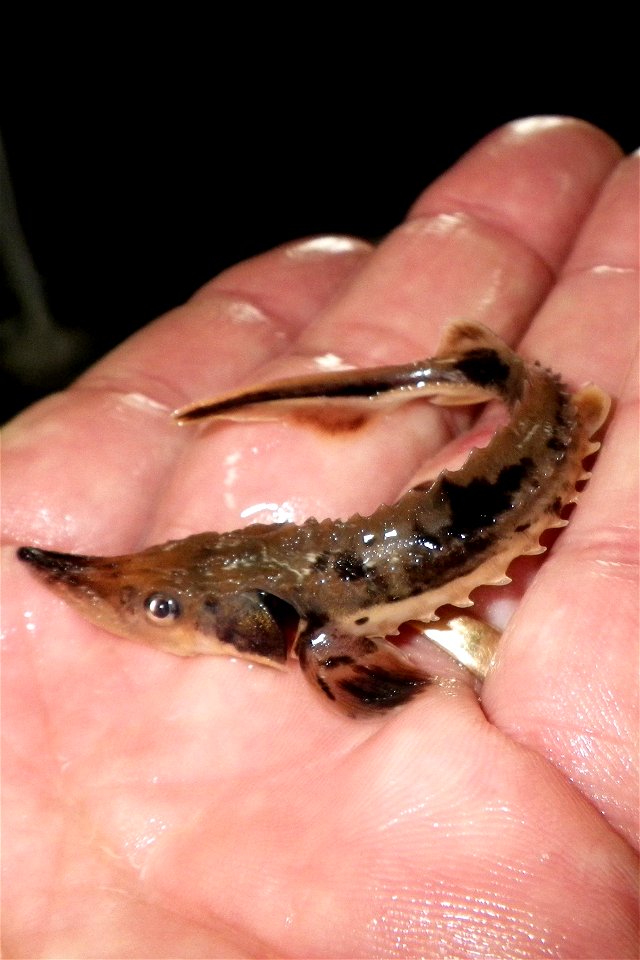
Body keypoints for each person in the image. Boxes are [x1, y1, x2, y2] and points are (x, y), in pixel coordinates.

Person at [3, 117, 637, 958]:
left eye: (165, 609)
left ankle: (473, 380)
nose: (152, 614)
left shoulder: (324, 638)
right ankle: (465, 379)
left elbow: (380, 688)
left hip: (536, 439)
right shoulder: (299, 610)